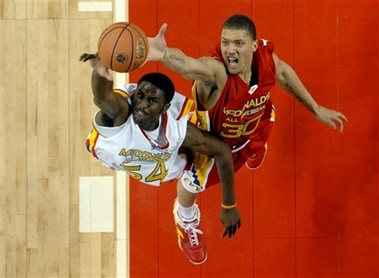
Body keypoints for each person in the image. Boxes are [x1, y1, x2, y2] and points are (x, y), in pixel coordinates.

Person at [147, 13, 348, 184]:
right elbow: (189, 67)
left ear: (254, 45)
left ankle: (255, 148)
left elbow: (284, 73)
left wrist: (316, 109)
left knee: (263, 125)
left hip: (256, 121)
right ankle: (185, 213)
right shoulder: (217, 72)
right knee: (191, 185)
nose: (230, 49)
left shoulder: (266, 60)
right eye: (225, 42)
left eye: (238, 43)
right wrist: (163, 54)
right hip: (219, 139)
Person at [79, 53, 241, 265]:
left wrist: (229, 204)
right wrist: (100, 69)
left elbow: (222, 151)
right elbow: (102, 98)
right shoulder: (120, 114)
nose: (142, 105)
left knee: (217, 146)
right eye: (141, 96)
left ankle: (185, 217)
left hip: (164, 162)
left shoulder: (174, 129)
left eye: (152, 101)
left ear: (164, 108)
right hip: (113, 152)